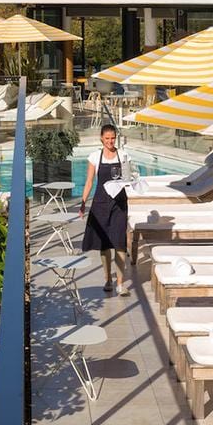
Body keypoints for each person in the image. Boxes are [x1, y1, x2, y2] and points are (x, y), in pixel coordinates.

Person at [79, 123, 131, 296]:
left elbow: (128, 178)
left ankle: (121, 284)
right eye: (107, 138)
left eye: (113, 138)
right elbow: (89, 181)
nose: (110, 141)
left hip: (119, 204)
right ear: (101, 138)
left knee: (120, 243)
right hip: (100, 204)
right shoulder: (94, 156)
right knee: (104, 245)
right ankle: (108, 279)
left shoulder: (124, 156)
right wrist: (83, 202)